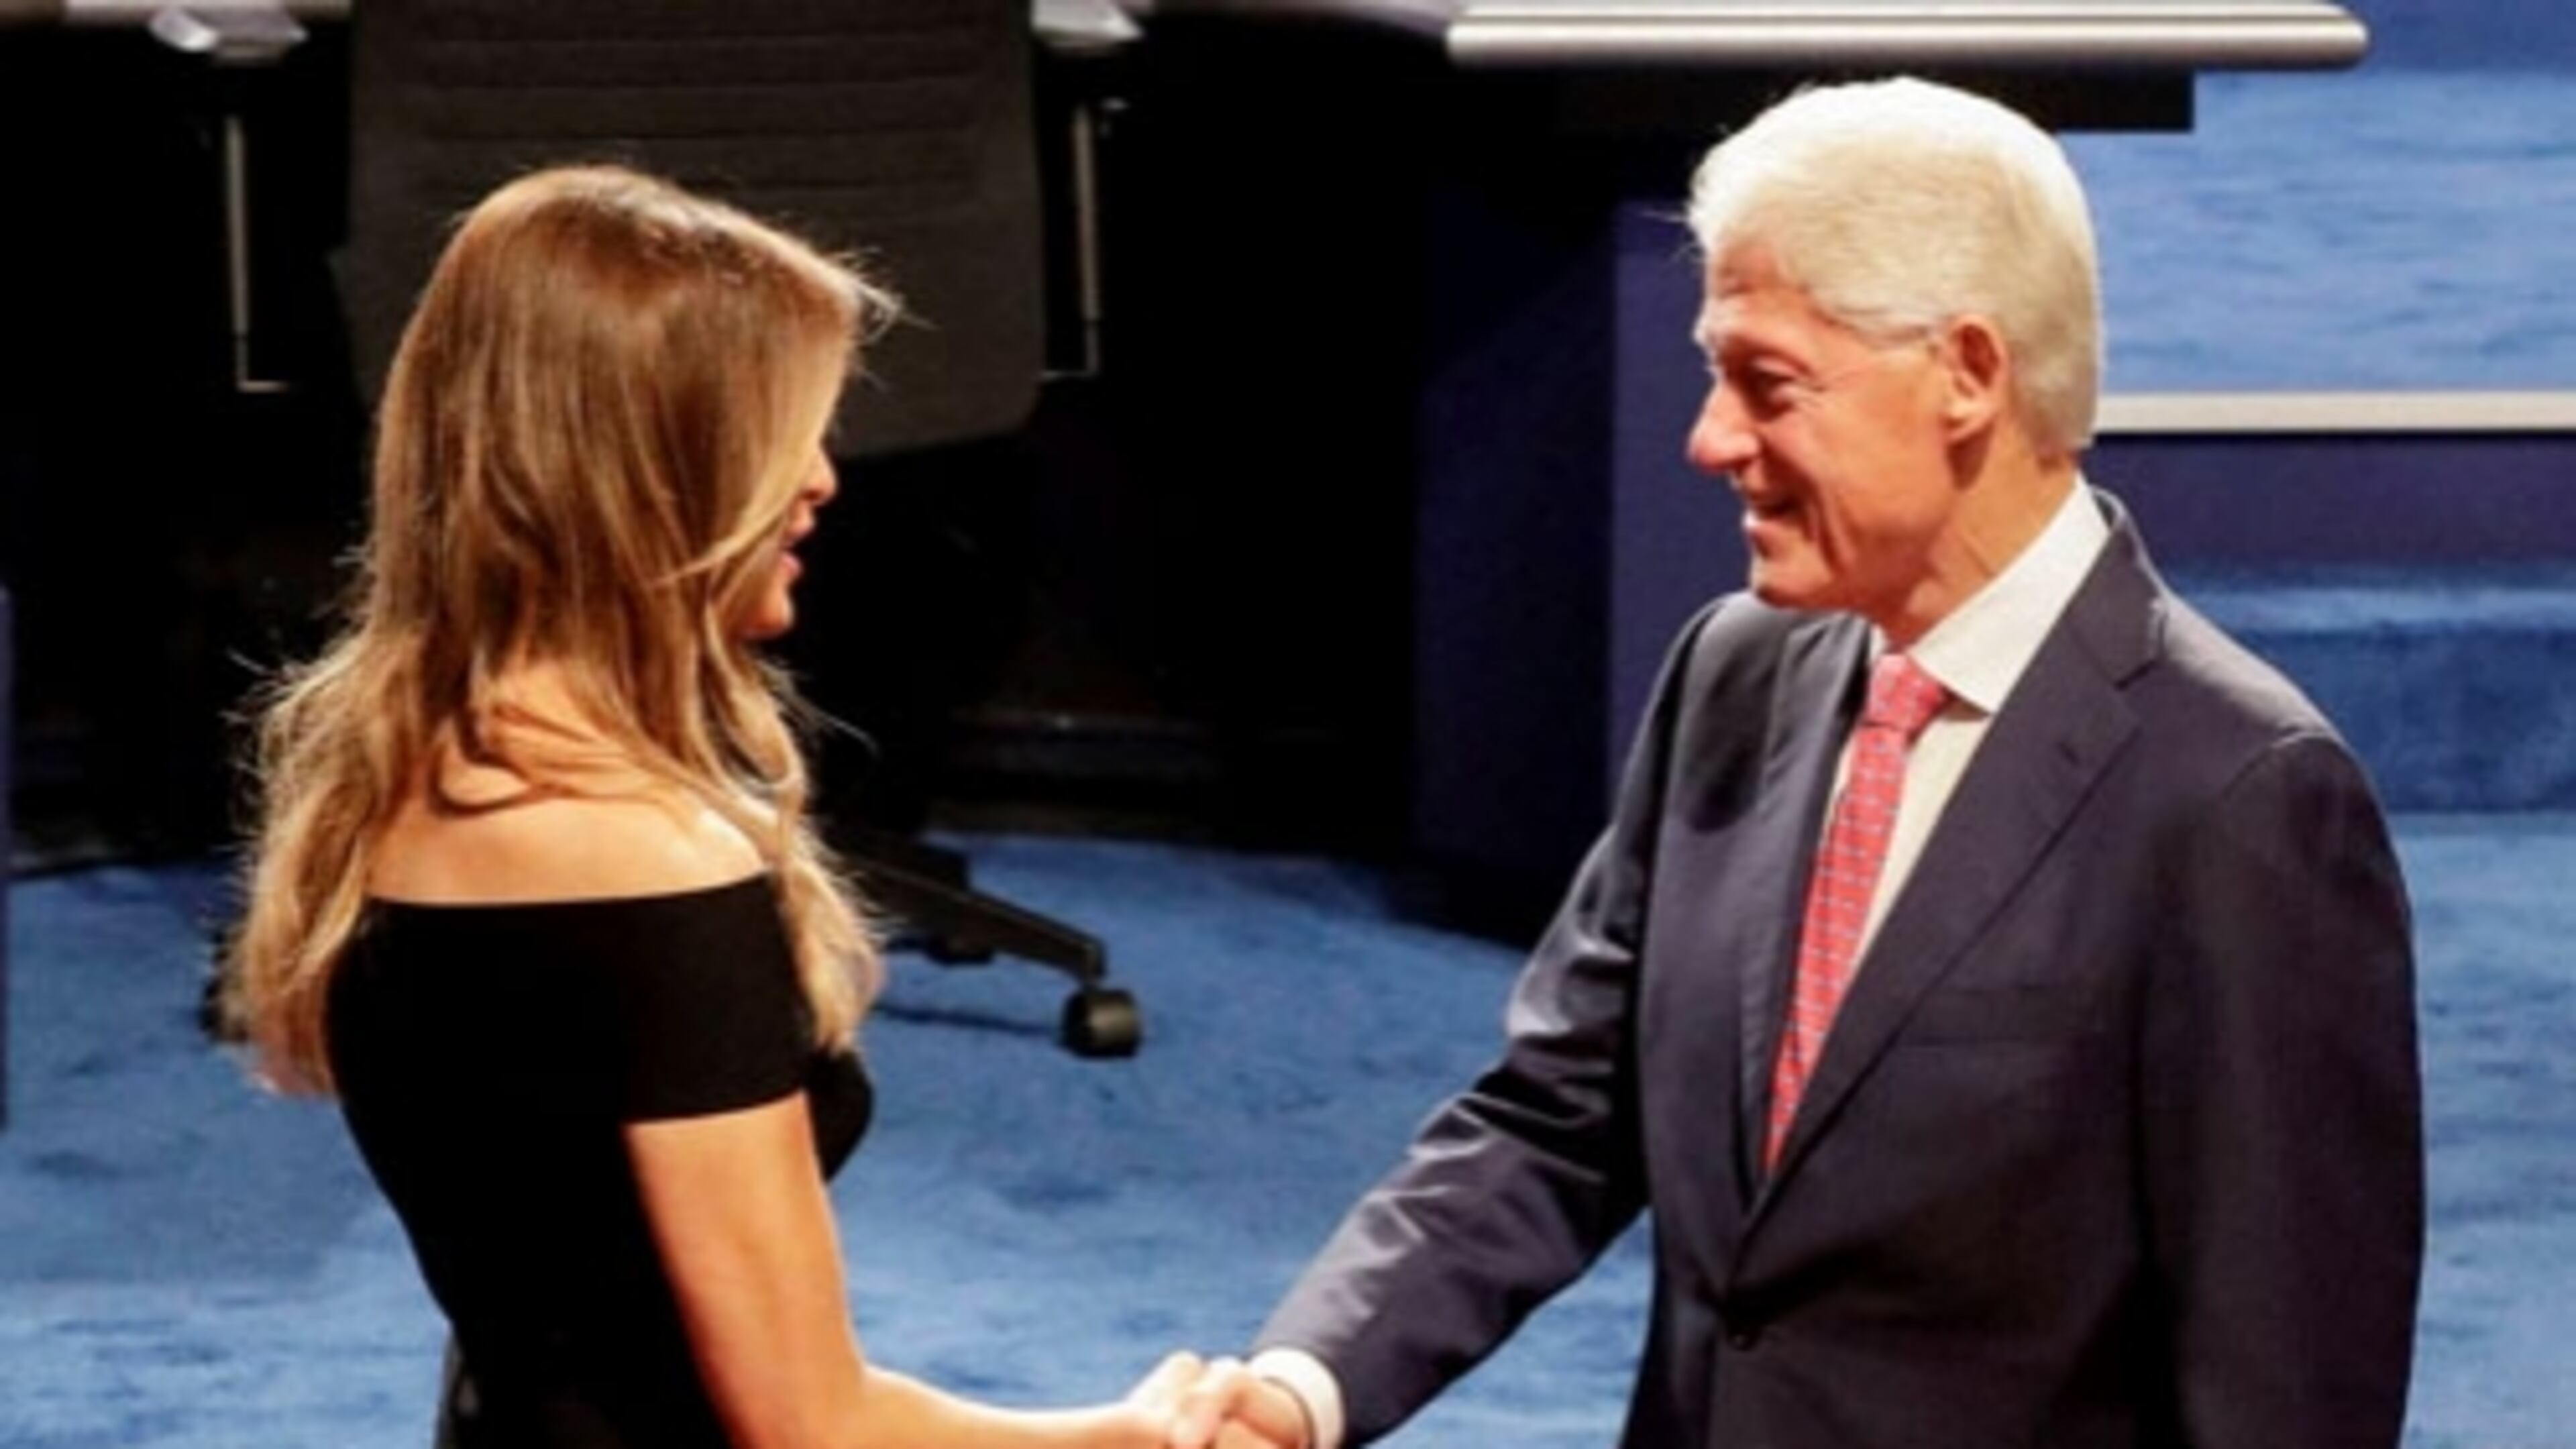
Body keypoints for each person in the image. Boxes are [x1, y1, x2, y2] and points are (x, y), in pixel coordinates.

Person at [1167, 77, 2425, 1449]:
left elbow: (2288, 1386)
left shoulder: (2241, 797)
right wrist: (1303, 1388)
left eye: (1767, 383)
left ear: (1968, 374)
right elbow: (1560, 1113)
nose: (1710, 440)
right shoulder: (1736, 671)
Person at [222, 164, 1201, 1449]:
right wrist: (1125, 1439)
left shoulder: (409, 778)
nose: (820, 480)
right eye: (777, 434)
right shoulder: (639, 864)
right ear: (653, 472)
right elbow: (808, 1426)